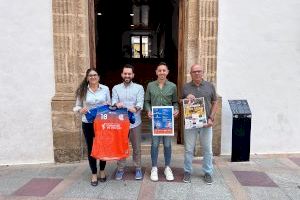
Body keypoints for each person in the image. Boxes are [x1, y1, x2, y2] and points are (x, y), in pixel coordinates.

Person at [73, 68, 111, 186]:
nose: (93, 77)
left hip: (102, 122)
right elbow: (76, 107)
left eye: (95, 75)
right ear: (87, 78)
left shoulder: (105, 89)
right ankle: (94, 173)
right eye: (90, 75)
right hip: (88, 123)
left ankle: (102, 171)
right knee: (91, 148)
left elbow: (109, 104)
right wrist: (80, 110)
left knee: (103, 147)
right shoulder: (82, 91)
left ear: (98, 77)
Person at [182, 64, 218, 184]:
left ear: (203, 72)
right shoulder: (186, 87)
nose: (197, 73)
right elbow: (180, 101)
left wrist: (211, 118)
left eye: (199, 71)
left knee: (207, 149)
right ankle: (187, 171)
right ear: (191, 74)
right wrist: (186, 98)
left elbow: (215, 102)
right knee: (188, 149)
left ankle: (208, 172)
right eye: (194, 72)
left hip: (206, 124)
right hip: (191, 124)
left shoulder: (210, 86)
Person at [144, 62, 179, 181]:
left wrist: (176, 110)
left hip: (168, 121)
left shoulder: (173, 86)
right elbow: (147, 101)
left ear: (167, 72)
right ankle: (154, 167)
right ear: (156, 72)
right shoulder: (150, 85)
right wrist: (148, 110)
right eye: (159, 70)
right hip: (155, 120)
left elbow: (175, 102)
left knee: (168, 144)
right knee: (154, 144)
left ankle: (167, 167)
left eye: (164, 70)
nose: (162, 72)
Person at [112, 64, 145, 180]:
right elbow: (114, 102)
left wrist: (135, 108)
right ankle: (120, 169)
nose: (127, 75)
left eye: (129, 73)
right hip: (120, 123)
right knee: (121, 146)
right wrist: (116, 104)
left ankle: (138, 168)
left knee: (136, 147)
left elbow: (140, 102)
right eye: (125, 73)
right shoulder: (116, 88)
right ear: (122, 74)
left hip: (135, 122)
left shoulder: (139, 88)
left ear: (133, 75)